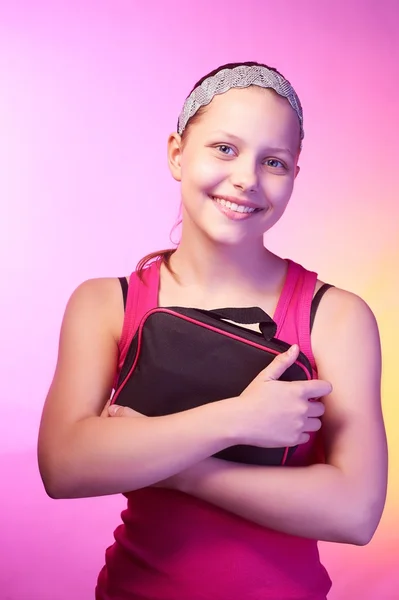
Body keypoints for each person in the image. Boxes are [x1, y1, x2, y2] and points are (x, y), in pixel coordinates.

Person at [38, 61, 388, 600]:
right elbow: (64, 467)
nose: (247, 177)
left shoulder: (338, 317)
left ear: (295, 174)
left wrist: (180, 469)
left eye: (273, 161)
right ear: (178, 153)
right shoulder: (106, 304)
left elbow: (356, 512)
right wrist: (235, 420)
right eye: (224, 148)